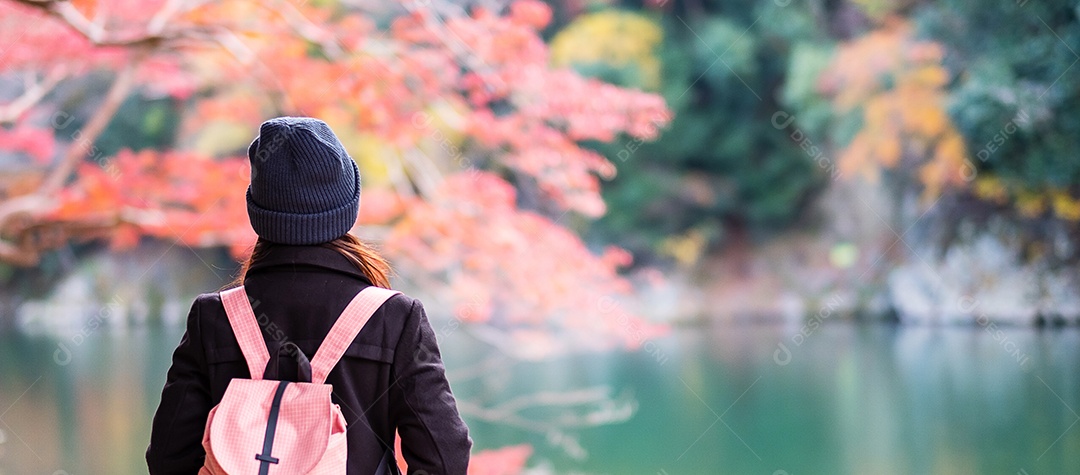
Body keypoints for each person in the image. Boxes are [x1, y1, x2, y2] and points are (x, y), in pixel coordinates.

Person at [146, 117, 472, 474]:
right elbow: (444, 458)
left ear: (257, 211)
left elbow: (168, 457)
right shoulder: (393, 318)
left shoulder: (215, 317)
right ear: (347, 206)